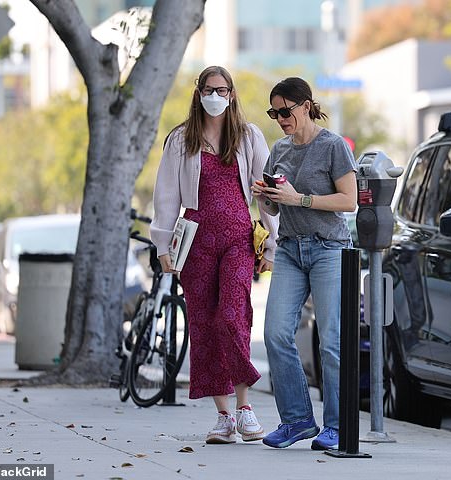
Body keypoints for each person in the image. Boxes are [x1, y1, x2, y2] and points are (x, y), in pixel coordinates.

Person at [150, 65, 278, 445]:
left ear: (232, 94)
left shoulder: (249, 136)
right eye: (209, 89)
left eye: (222, 90)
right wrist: (162, 247)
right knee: (204, 325)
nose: (215, 96)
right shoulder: (181, 140)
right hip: (195, 243)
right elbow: (166, 197)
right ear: (198, 93)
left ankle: (245, 406)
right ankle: (223, 416)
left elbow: (268, 193)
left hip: (238, 238)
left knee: (231, 318)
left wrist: (272, 243)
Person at [251, 77, 357, 450]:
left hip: (329, 249)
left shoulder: (333, 146)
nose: (280, 119)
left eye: (286, 111)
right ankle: (297, 420)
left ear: (306, 105)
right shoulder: (278, 149)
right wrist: (267, 198)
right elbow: (277, 206)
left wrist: (301, 200)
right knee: (277, 334)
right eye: (274, 112)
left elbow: (349, 201)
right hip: (292, 250)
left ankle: (338, 426)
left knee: (331, 341)